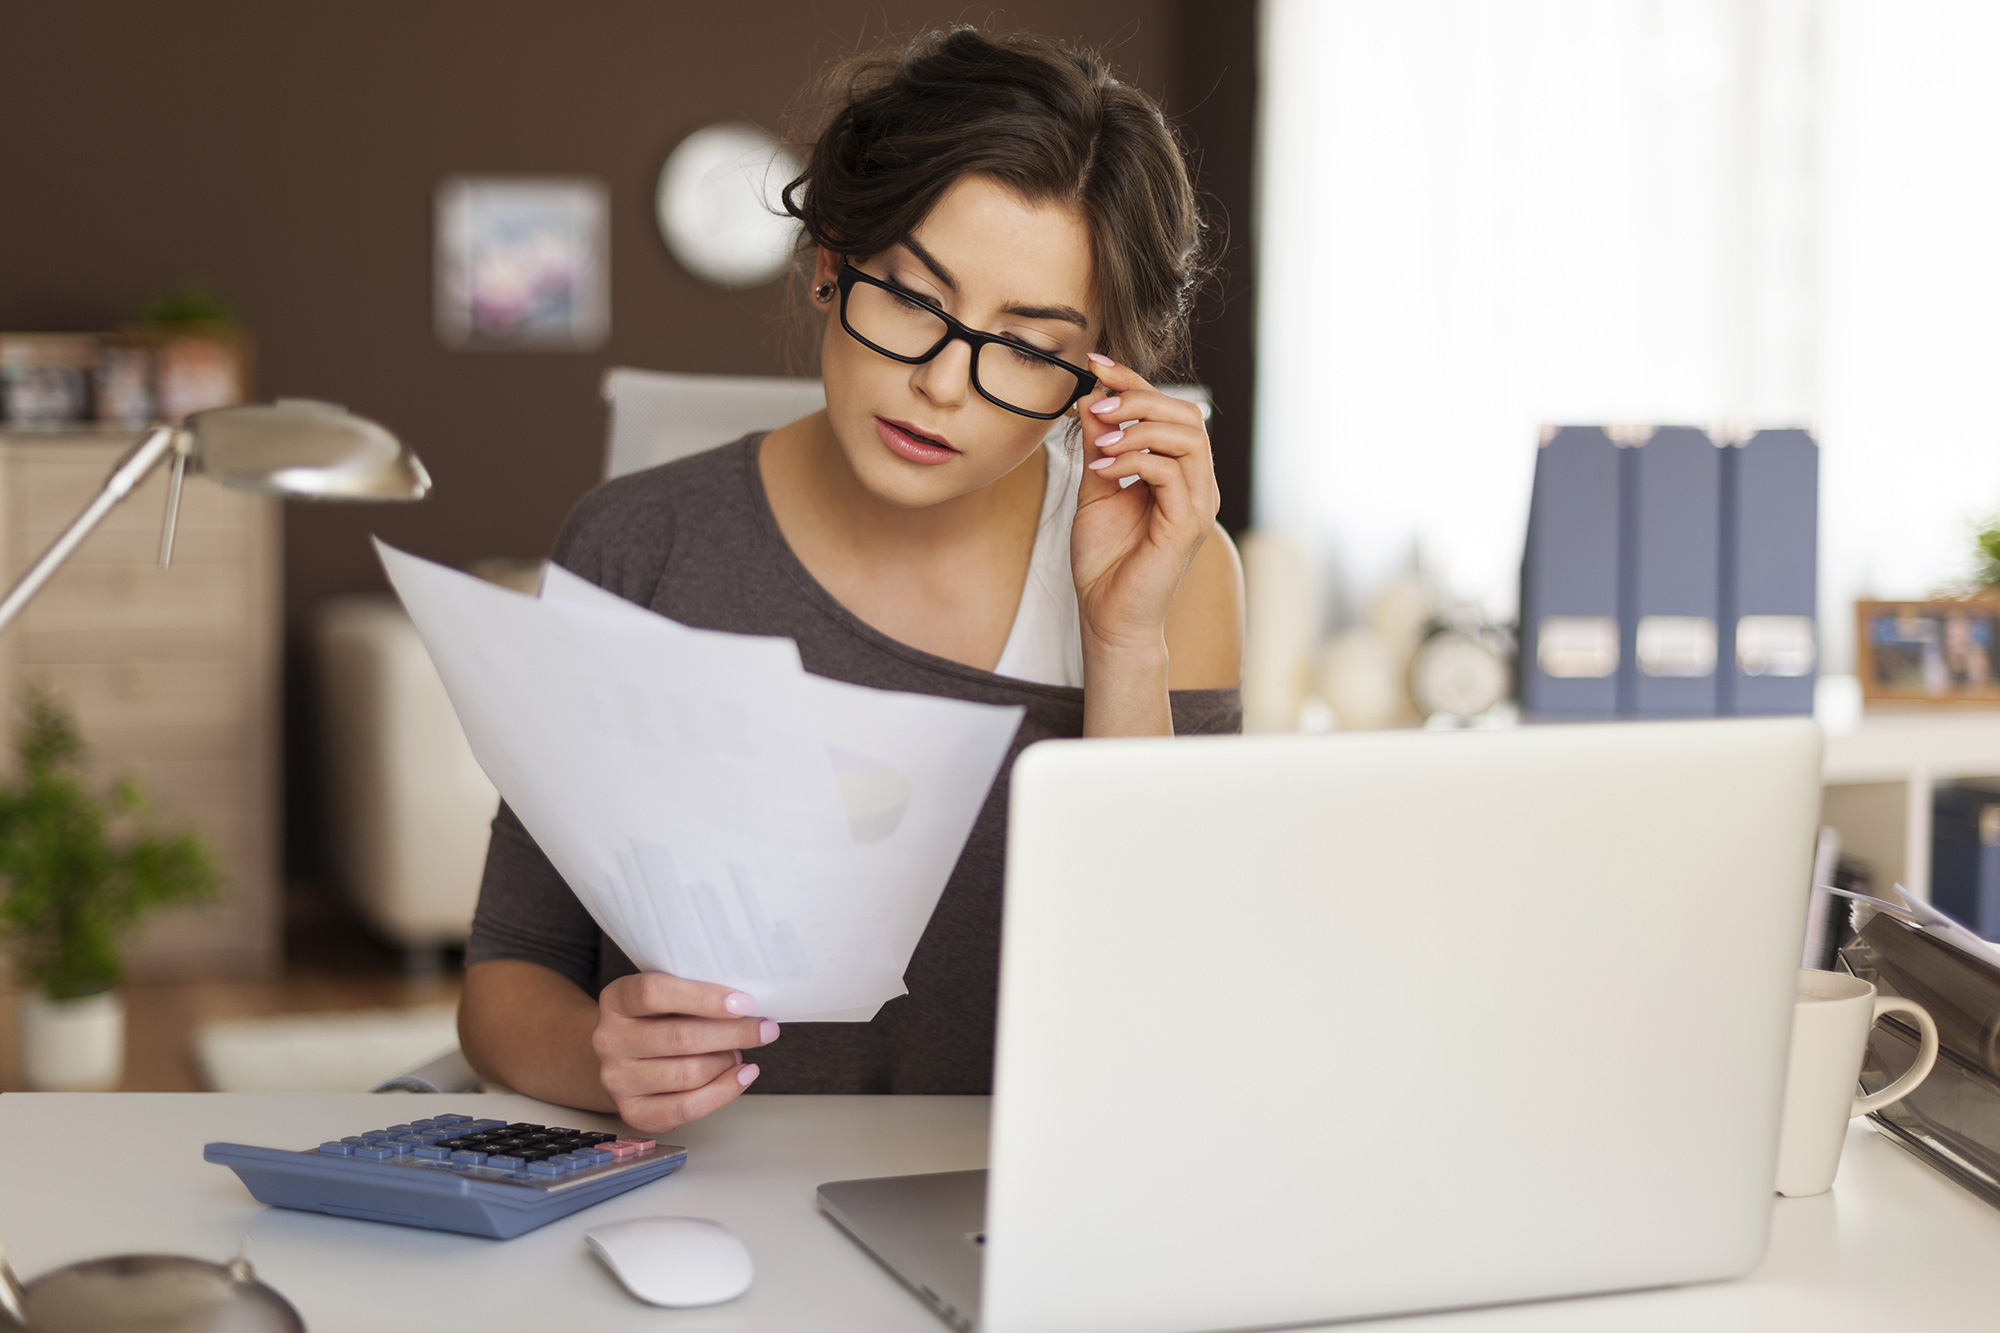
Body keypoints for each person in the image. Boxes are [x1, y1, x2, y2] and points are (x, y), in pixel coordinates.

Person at [457, 26, 1244, 1132]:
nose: (939, 387)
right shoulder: (639, 547)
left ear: (1093, 378)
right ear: (831, 259)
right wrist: (604, 1059)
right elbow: (507, 974)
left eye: (1026, 346)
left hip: (1012, 1217)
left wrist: (1122, 641)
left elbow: (1170, 1009)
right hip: (695, 1210)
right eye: (916, 303)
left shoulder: (1175, 574)